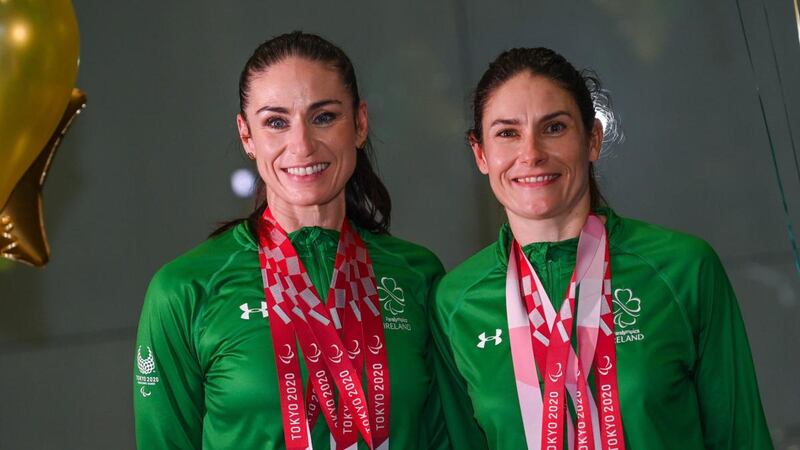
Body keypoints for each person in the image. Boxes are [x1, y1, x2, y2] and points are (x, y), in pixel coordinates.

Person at [430, 47, 773, 450]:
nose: (532, 154)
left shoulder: (683, 269)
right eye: (507, 133)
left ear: (592, 139)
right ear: (480, 153)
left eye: (554, 127)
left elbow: (741, 439)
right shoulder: (456, 302)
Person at [134, 31, 448, 450]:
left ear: (359, 124)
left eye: (324, 117)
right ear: (247, 136)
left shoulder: (416, 274)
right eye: (276, 122)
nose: (302, 145)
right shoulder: (185, 289)